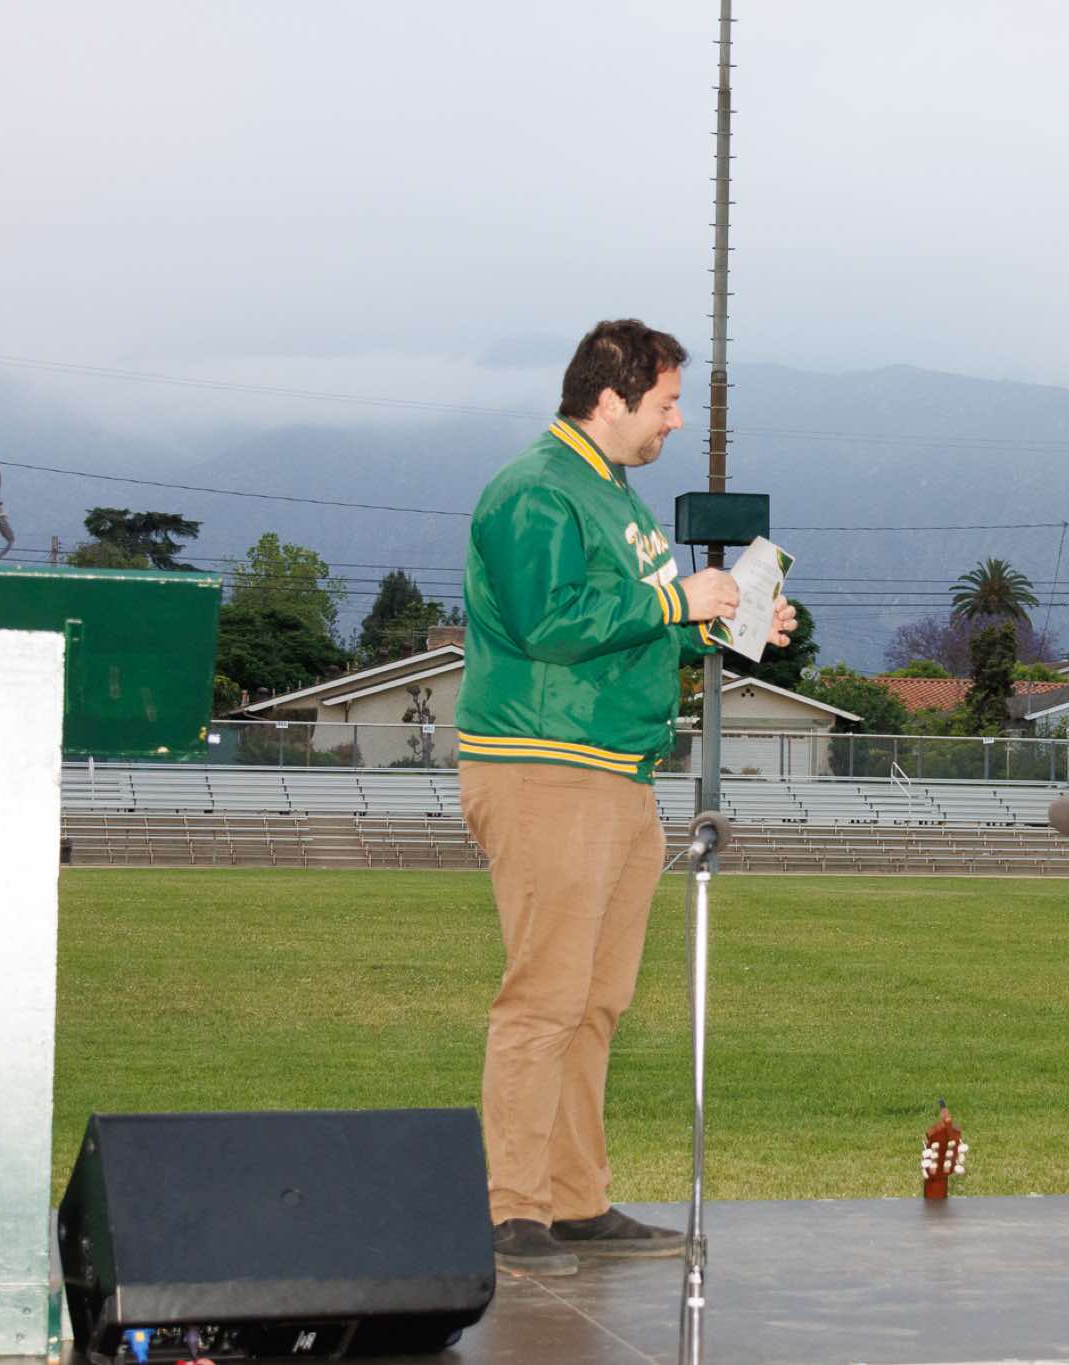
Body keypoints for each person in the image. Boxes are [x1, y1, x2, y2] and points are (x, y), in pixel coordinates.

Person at [456, 319, 796, 1276]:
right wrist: (679, 600)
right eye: (667, 403)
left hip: (617, 772)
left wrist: (729, 618)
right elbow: (549, 622)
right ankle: (513, 1210)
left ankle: (574, 1200)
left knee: (597, 1001)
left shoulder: (614, 495)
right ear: (611, 399)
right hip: (544, 764)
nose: (676, 421)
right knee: (545, 997)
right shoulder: (535, 489)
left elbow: (640, 623)